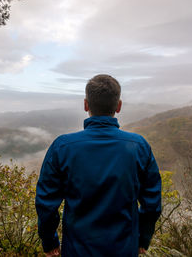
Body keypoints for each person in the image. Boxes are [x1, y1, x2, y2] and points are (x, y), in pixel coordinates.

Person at [35, 74, 162, 257]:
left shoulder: (62, 147)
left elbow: (46, 204)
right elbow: (152, 203)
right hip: (124, 249)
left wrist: (49, 242)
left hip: (77, 250)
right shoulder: (138, 146)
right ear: (118, 106)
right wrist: (143, 239)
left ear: (86, 105)